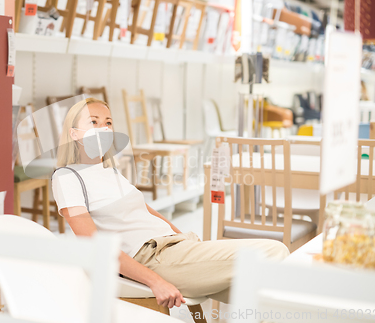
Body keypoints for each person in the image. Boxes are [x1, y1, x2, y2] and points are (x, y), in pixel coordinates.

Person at [52, 98, 289, 309]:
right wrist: (155, 281)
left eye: (108, 123)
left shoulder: (109, 171)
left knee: (268, 291)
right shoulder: (67, 177)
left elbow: (146, 211)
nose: (103, 128)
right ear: (74, 134)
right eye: (93, 122)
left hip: (176, 248)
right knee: (275, 250)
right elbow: (95, 246)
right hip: (152, 257)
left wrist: (182, 236)